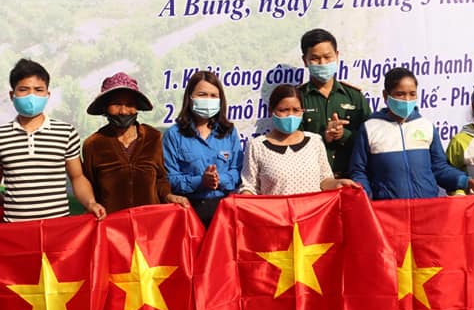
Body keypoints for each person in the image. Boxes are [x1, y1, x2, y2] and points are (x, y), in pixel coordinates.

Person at [0, 59, 105, 231]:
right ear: (12, 95)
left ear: (48, 94)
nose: (32, 95)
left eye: (38, 90)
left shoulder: (66, 132)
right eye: (24, 89)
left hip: (57, 228)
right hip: (15, 231)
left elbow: (77, 177)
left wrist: (91, 203)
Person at [349, 67, 474, 200]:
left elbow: (439, 167)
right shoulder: (370, 128)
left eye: (412, 94)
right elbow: (358, 171)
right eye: (400, 94)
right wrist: (365, 197)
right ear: (386, 96)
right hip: (389, 211)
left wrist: (466, 181)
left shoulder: (425, 126)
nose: (407, 100)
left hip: (427, 209)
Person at [82, 72, 188, 214]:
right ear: (105, 107)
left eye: (130, 104)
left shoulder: (153, 137)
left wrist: (168, 195)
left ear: (137, 107)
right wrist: (92, 205)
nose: (124, 111)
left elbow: (161, 178)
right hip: (112, 224)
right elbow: (89, 186)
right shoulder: (93, 144)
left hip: (149, 221)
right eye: (116, 104)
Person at [239, 84, 355, 196]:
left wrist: (338, 184)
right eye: (284, 110)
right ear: (271, 111)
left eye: (296, 110)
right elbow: (249, 187)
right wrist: (245, 196)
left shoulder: (315, 141)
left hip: (312, 209)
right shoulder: (257, 146)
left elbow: (324, 180)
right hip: (276, 210)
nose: (290, 115)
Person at [162, 71, 243, 227]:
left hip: (223, 211)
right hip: (187, 210)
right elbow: (169, 178)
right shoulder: (174, 134)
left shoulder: (229, 132)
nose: (208, 100)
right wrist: (201, 181)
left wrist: (219, 179)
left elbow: (238, 171)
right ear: (190, 98)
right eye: (202, 94)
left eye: (213, 96)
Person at [297, 28, 369, 175]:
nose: (322, 63)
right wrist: (323, 137)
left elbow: (370, 138)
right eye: (315, 58)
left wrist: (344, 134)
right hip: (313, 178)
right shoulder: (297, 98)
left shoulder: (354, 96)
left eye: (327, 57)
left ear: (337, 56)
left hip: (352, 177)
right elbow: (292, 143)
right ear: (305, 61)